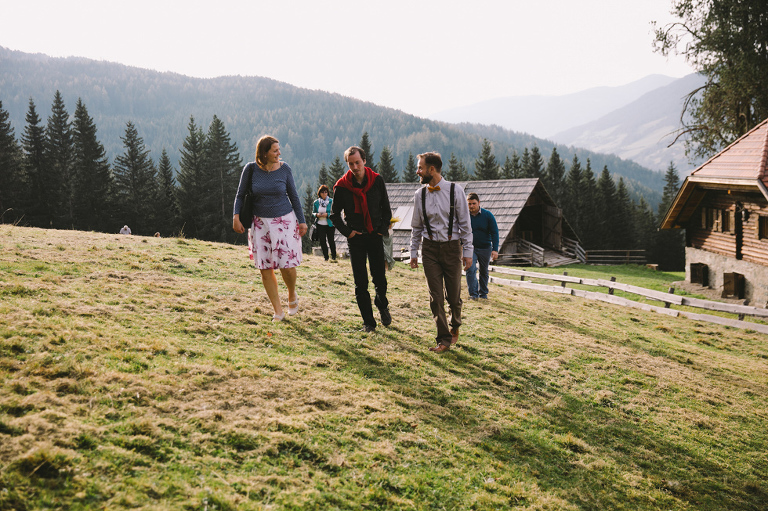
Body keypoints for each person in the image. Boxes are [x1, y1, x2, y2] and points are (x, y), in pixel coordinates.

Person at [233, 135, 308, 322]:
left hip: (284, 222)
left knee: (287, 266)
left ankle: (291, 293)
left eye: (278, 149)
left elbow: (294, 196)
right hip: (260, 224)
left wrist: (302, 220)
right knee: (265, 268)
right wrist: (235, 217)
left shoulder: (284, 169)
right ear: (264, 153)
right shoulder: (250, 169)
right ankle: (278, 311)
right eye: (275, 150)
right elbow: (240, 195)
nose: (279, 153)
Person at [409, 152, 473, 353]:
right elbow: (416, 226)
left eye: (420, 167)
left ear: (432, 169)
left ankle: (455, 324)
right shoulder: (419, 195)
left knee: (453, 296)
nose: (417, 171)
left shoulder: (456, 191)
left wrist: (468, 252)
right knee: (435, 297)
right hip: (429, 250)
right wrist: (413, 251)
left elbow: (465, 224)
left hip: (452, 248)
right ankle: (443, 339)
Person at [330, 146, 392, 332]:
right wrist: (348, 232)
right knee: (360, 282)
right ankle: (368, 322)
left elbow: (386, 209)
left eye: (357, 162)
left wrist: (381, 230)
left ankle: (382, 305)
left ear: (364, 161)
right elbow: (334, 215)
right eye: (351, 164)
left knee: (379, 278)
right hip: (355, 238)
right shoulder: (342, 186)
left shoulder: (377, 181)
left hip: (374, 236)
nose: (355, 167)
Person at [466, 192, 499, 300]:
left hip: (485, 248)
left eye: (473, 203)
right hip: (470, 248)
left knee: (484, 271)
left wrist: (495, 249)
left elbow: (495, 232)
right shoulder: (465, 216)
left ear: (479, 203)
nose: (471, 206)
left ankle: (483, 294)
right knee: (470, 269)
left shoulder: (487, 215)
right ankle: (473, 294)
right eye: (469, 204)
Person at [312, 185, 337, 261]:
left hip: (330, 224)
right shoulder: (316, 202)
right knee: (322, 241)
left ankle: (333, 256)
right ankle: (326, 257)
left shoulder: (331, 201)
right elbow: (313, 212)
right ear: (319, 193)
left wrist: (327, 214)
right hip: (320, 224)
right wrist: (316, 214)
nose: (324, 193)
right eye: (322, 192)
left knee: (331, 241)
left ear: (328, 193)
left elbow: (335, 212)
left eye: (326, 192)